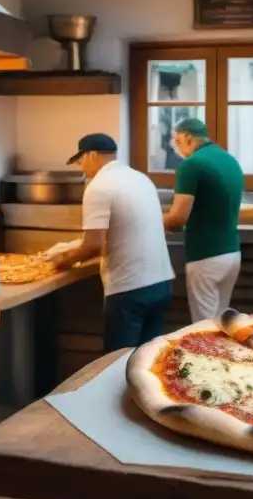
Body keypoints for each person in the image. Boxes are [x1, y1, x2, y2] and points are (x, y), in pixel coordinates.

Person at [56, 133, 175, 351]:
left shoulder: (98, 187)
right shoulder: (140, 178)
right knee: (148, 361)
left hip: (130, 288)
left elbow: (92, 245)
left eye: (81, 161)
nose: (83, 169)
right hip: (162, 282)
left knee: (117, 363)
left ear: (91, 155)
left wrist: (62, 262)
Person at [163, 119, 245, 322]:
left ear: (187, 137)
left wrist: (149, 219)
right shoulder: (229, 160)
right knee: (221, 325)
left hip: (205, 258)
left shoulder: (191, 165)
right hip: (231, 254)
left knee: (204, 331)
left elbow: (176, 220)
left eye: (177, 140)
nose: (177, 147)